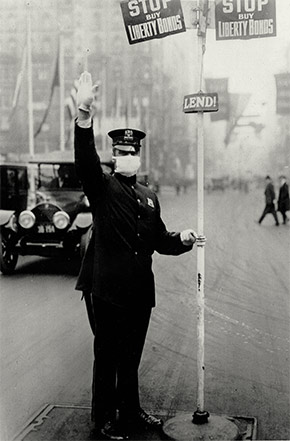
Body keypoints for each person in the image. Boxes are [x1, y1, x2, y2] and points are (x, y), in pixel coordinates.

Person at [74, 72, 199, 440]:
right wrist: (84, 114)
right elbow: (84, 160)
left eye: (133, 153)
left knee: (131, 357)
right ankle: (104, 417)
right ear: (114, 156)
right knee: (107, 357)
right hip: (108, 291)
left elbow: (159, 238)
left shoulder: (148, 194)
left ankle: (131, 410)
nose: (127, 157)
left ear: (139, 156)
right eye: (121, 152)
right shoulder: (103, 187)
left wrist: (184, 239)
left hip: (139, 292)